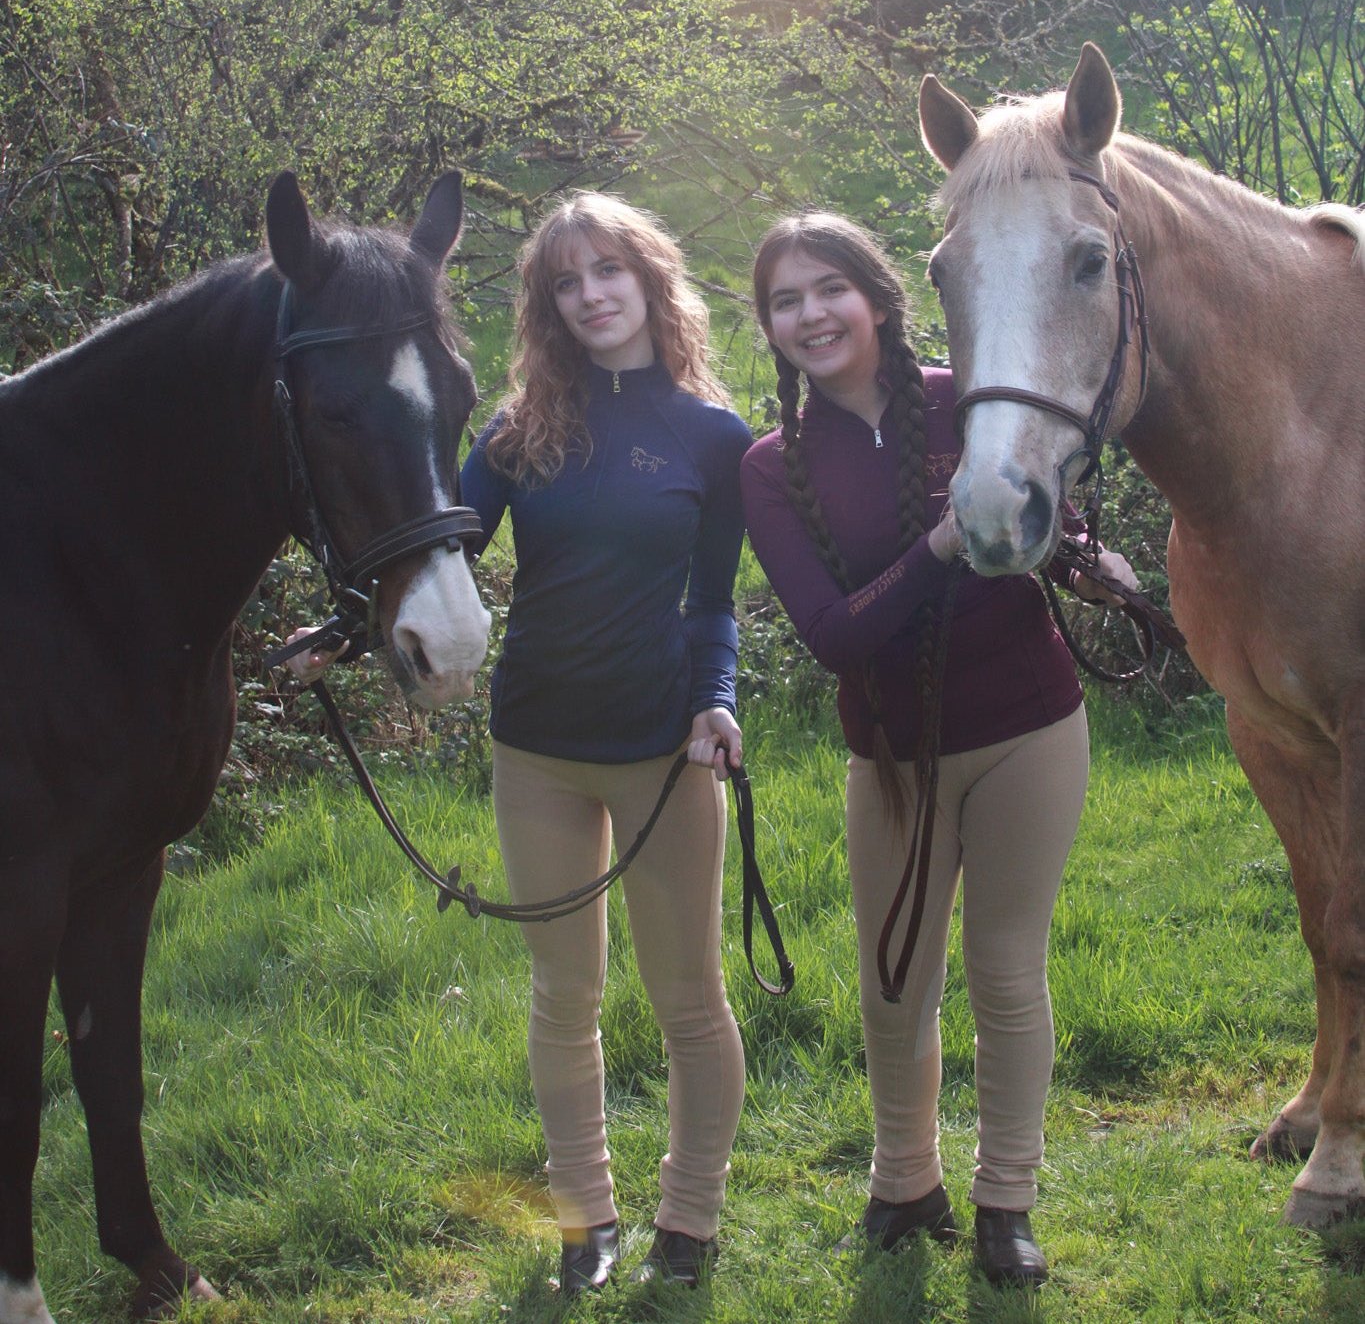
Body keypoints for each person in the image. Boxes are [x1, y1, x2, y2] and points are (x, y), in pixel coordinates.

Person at [295, 192, 751, 1295]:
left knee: (689, 1000)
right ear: (547, 304)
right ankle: (585, 1220)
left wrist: (717, 699)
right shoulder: (516, 433)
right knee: (565, 999)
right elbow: (428, 544)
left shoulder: (715, 437)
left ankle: (688, 1221)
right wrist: (347, 636)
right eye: (566, 280)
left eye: (609, 272)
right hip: (535, 749)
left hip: (663, 756)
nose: (591, 295)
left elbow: (714, 604)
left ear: (650, 280)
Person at [740, 210, 1136, 1288]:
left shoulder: (969, 395)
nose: (811, 314)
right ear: (770, 327)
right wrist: (940, 548)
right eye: (786, 300)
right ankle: (904, 1179)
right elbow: (833, 635)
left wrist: (1080, 558)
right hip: (893, 758)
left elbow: (1035, 512)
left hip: (1027, 726)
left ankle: (1007, 1200)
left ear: (876, 295)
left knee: (1007, 971)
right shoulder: (773, 467)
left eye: (828, 289)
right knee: (892, 981)